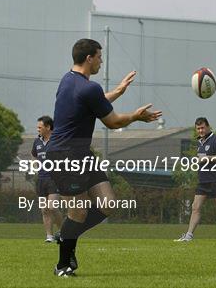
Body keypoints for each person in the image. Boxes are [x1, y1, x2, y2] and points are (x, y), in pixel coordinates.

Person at [47, 38, 161, 277]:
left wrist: (119, 90)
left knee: (108, 204)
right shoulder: (89, 87)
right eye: (99, 56)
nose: (102, 61)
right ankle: (62, 265)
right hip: (64, 154)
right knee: (78, 211)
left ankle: (67, 234)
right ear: (89, 58)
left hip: (80, 153)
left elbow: (93, 103)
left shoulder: (68, 79)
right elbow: (113, 122)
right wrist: (135, 116)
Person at [32, 115, 63, 242]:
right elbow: (34, 155)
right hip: (41, 179)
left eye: (40, 127)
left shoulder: (58, 140)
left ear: (48, 127)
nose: (38, 129)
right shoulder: (37, 141)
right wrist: (34, 166)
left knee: (52, 207)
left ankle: (64, 232)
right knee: (44, 210)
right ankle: (49, 236)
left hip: (54, 179)